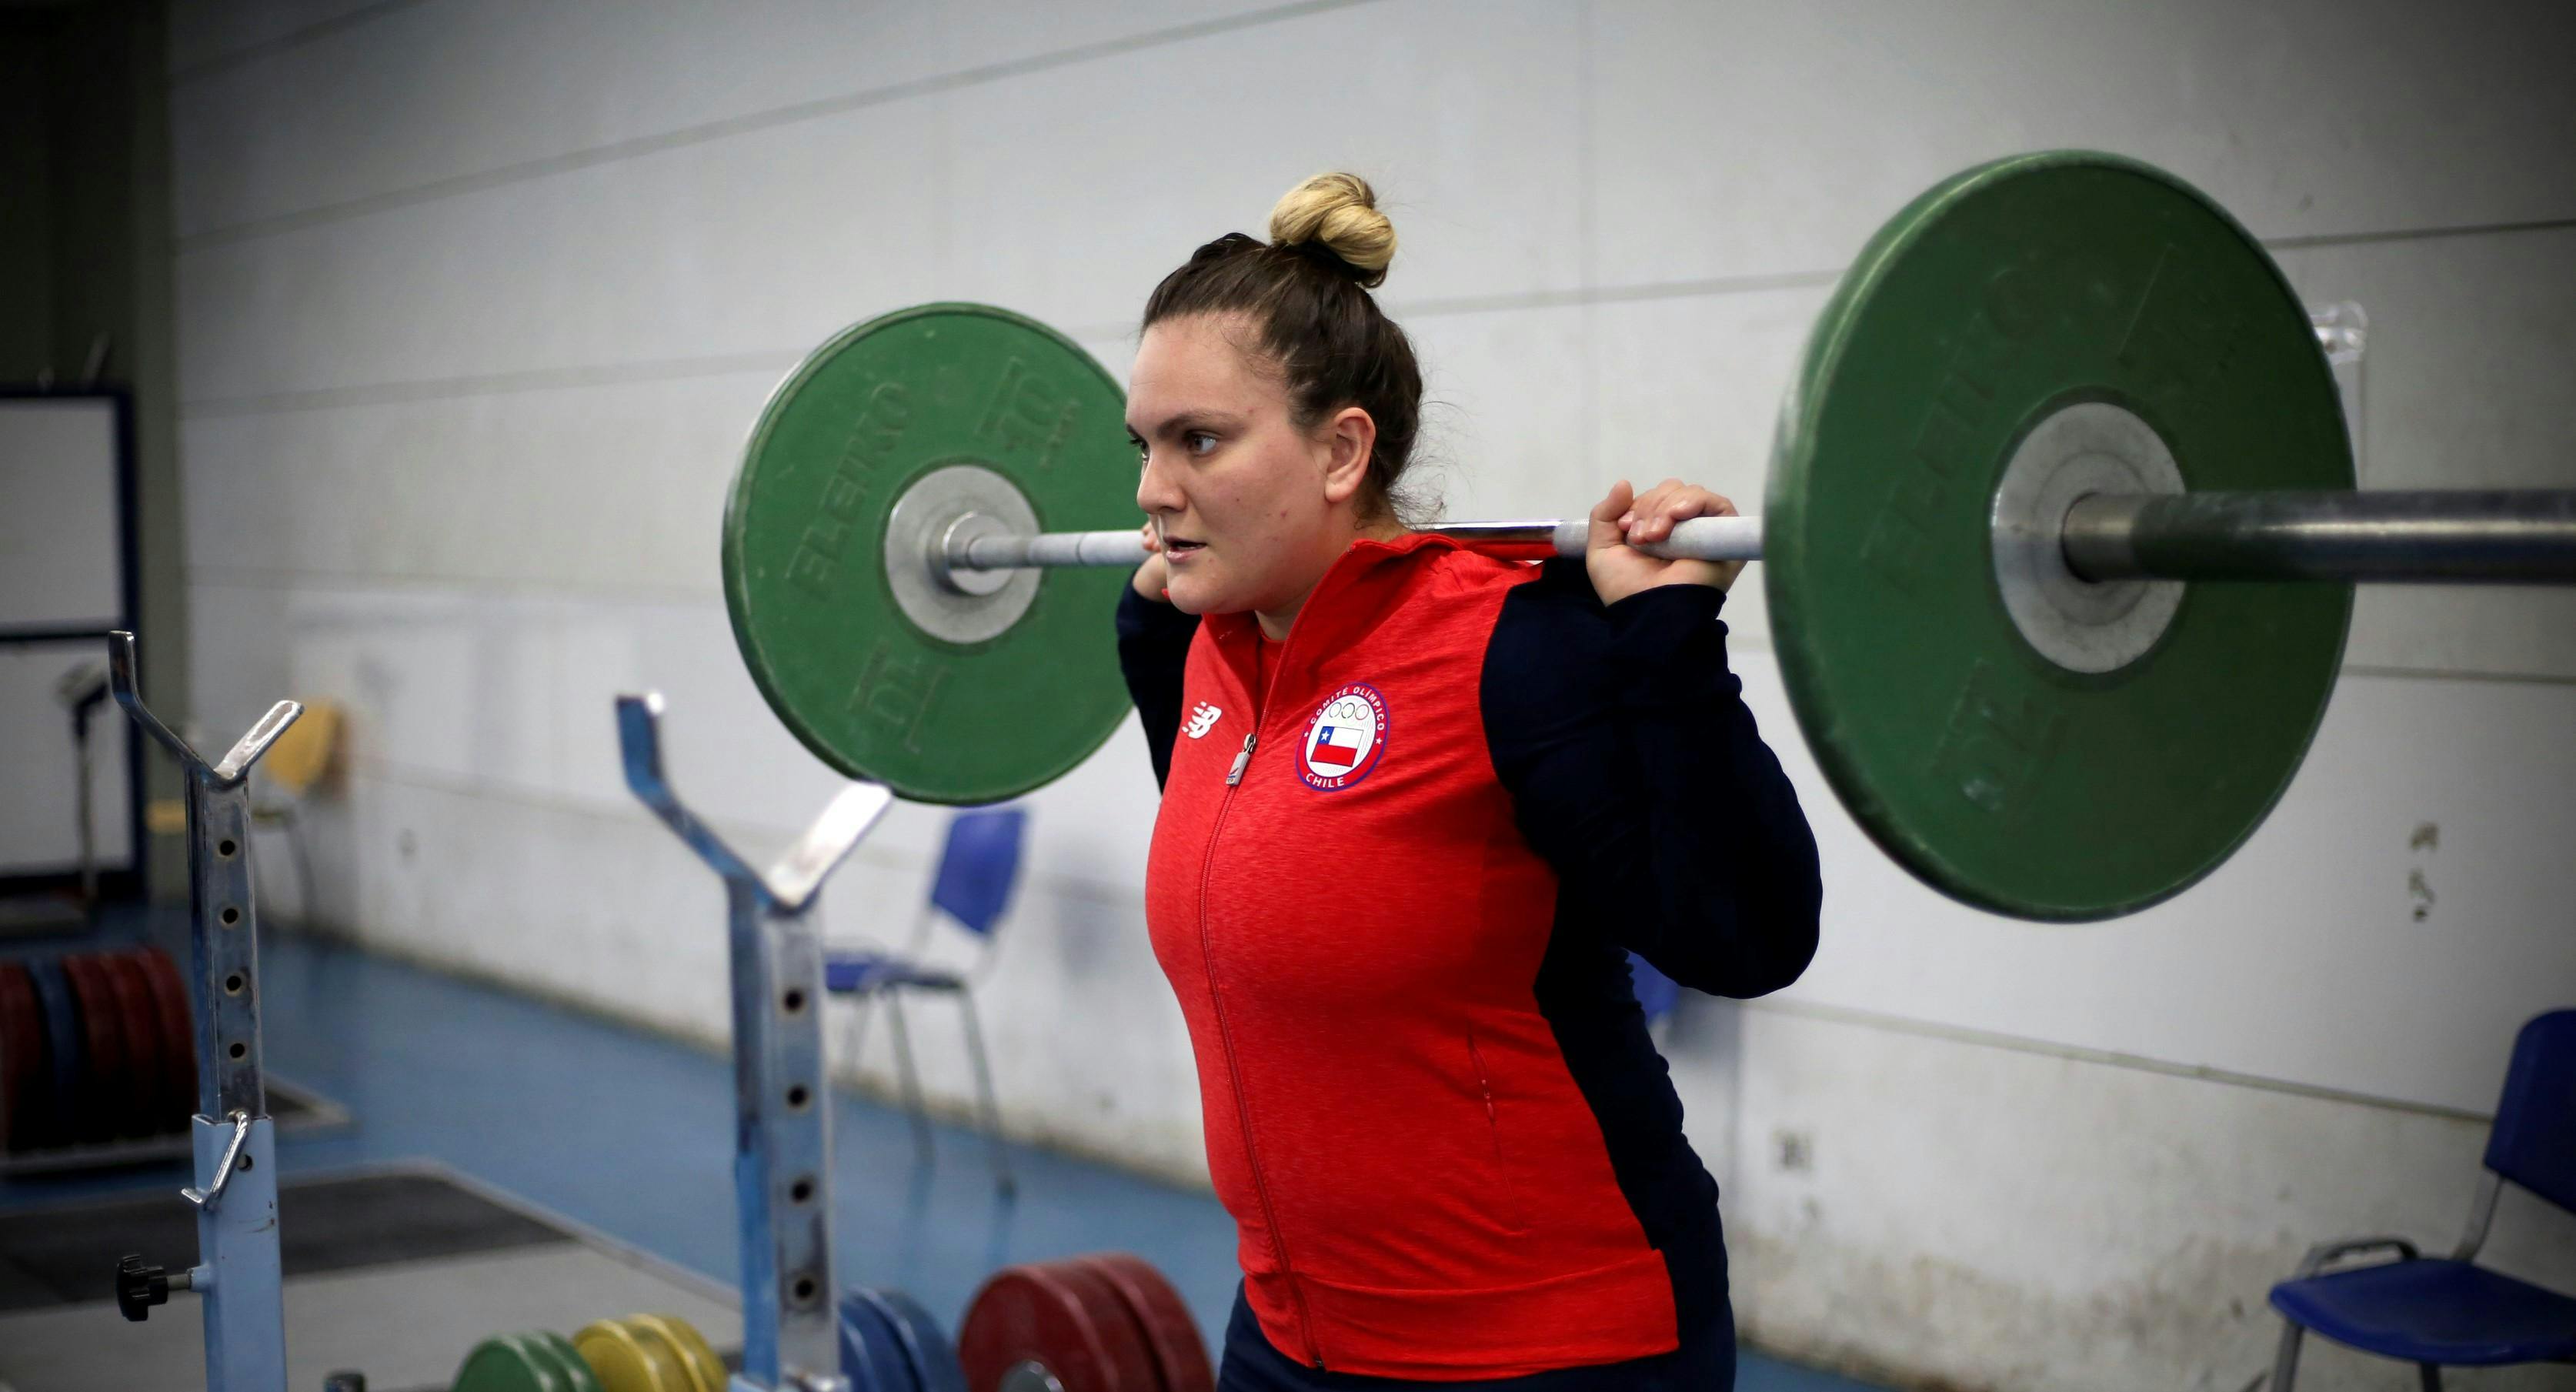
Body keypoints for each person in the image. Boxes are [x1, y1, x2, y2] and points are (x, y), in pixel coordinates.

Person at [1114, 172, 1823, 1391]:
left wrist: (1666, 642)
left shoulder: (1513, 649)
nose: (1149, 491)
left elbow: (1751, 932)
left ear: (1342, 450)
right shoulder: (1197, 648)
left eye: (1200, 441)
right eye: (1145, 444)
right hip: (1289, 1334)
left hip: (1545, 1348)